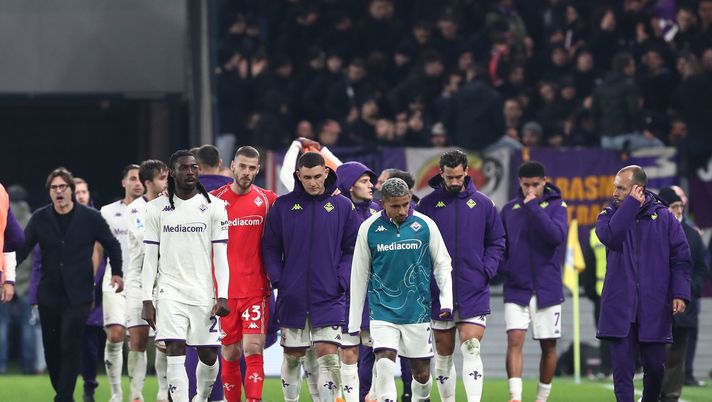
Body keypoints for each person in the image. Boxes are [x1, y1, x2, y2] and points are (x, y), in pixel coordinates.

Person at [16, 167, 123, 402]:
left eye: (62, 187)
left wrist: (117, 272)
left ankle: (64, 397)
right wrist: (7, 274)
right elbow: (22, 249)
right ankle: (63, 393)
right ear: (49, 192)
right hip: (49, 295)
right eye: (54, 188)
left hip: (79, 296)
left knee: (69, 345)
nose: (58, 192)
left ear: (71, 190)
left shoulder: (90, 217)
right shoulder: (40, 218)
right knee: (51, 350)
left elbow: (112, 244)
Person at [262, 151, 360, 402]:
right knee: (293, 358)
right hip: (292, 296)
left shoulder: (342, 206)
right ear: (298, 176)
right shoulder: (283, 207)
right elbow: (270, 247)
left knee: (328, 356)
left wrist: (342, 279)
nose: (313, 182)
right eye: (307, 177)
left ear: (326, 173)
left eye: (318, 176)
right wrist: (278, 279)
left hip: (329, 295)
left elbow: (353, 249)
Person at [349, 177, 453, 402]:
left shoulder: (425, 225)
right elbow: (358, 275)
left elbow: (443, 263)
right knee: (384, 362)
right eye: (396, 205)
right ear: (383, 202)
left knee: (422, 374)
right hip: (382, 310)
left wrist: (447, 301)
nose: (403, 210)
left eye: (406, 204)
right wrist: (354, 322)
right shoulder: (368, 228)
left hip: (417, 312)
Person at [595, 166, 691, 402]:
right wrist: (630, 206)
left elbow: (681, 258)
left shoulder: (665, 217)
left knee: (656, 370)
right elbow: (612, 238)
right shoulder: (607, 215)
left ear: (638, 189)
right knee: (623, 373)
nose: (614, 192)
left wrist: (680, 293)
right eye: (615, 186)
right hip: (620, 307)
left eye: (621, 188)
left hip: (654, 307)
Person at [141, 150, 230, 402]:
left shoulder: (215, 207)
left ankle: (201, 397)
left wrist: (222, 295)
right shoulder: (156, 208)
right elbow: (150, 258)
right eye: (184, 168)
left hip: (203, 292)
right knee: (174, 348)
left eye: (194, 167)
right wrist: (147, 299)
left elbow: (221, 256)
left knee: (209, 356)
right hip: (170, 291)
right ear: (173, 173)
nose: (190, 172)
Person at [417, 150, 506, 402]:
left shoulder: (484, 204)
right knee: (443, 355)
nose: (454, 182)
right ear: (441, 173)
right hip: (438, 291)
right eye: (449, 177)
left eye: (458, 176)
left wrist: (486, 270)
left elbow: (497, 241)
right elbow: (420, 245)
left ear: (466, 171)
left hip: (473, 287)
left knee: (471, 346)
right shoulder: (428, 205)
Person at [211, 146, 277, 402]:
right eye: (242, 166)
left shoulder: (267, 200)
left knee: (253, 348)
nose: (247, 172)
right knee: (230, 354)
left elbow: (297, 203)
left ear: (258, 170)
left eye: (252, 168)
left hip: (256, 289)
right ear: (232, 166)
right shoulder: (214, 201)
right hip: (225, 292)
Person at [500, 161, 568, 402]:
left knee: (548, 346)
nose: (531, 190)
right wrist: (506, 269)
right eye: (526, 185)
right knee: (514, 340)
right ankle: (515, 397)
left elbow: (556, 237)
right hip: (517, 287)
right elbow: (502, 246)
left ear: (544, 181)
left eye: (535, 185)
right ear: (519, 182)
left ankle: (541, 398)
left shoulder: (558, 206)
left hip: (547, 288)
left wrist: (534, 208)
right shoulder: (508, 209)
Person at [657, 187, 708, 402]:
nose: (678, 210)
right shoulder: (654, 231)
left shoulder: (692, 236)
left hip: (684, 308)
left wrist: (686, 292)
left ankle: (672, 396)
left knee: (677, 356)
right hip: (658, 306)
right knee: (657, 356)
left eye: (680, 206)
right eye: (674, 206)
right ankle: (655, 392)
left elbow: (701, 269)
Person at [336, 161, 381, 402]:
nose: (371, 185)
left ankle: (372, 395)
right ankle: (349, 397)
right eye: (364, 181)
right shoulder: (337, 210)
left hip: (374, 291)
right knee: (348, 349)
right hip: (345, 292)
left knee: (378, 348)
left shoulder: (377, 211)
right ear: (349, 186)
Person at [125, 160, 170, 402]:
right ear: (148, 183)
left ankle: (163, 392)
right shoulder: (135, 210)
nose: (166, 182)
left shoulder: (171, 206)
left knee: (164, 339)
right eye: (162, 178)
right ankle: (136, 393)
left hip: (163, 280)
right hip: (138, 280)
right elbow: (146, 240)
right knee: (139, 339)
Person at [99, 164, 144, 402]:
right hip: (113, 280)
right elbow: (98, 248)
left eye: (141, 179)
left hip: (142, 283)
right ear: (123, 182)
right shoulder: (107, 211)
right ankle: (116, 393)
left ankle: (136, 394)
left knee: (138, 340)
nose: (138, 183)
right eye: (133, 179)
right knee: (115, 334)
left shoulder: (152, 210)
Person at [70, 178, 107, 402]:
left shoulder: (99, 219)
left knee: (89, 345)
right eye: (77, 192)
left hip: (94, 290)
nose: (81, 196)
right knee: (67, 343)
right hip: (67, 292)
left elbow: (105, 255)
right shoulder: (60, 220)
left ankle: (89, 386)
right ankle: (66, 389)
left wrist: (94, 285)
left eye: (84, 191)